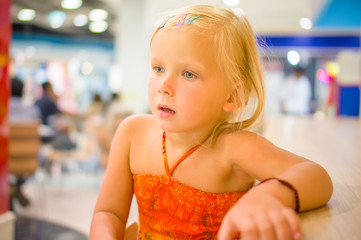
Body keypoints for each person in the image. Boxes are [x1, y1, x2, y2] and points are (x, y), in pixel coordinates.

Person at [90, 5, 333, 240]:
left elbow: (317, 176)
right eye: (158, 68)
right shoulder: (132, 133)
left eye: (188, 74)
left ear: (232, 96)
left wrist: (271, 194)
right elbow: (108, 212)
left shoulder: (235, 147)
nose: (164, 86)